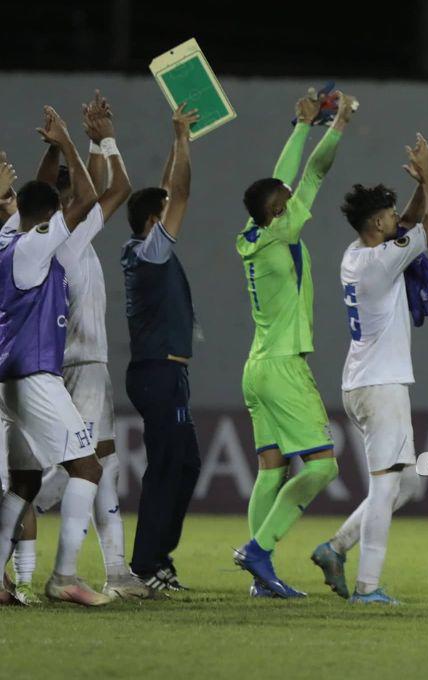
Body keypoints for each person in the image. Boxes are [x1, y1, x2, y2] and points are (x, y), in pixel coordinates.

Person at [311, 134, 428, 605]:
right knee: (387, 482)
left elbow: (408, 224)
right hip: (380, 385)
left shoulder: (356, 255)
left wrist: (417, 187)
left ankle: (335, 548)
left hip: (364, 380)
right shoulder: (380, 263)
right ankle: (368, 588)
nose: (396, 219)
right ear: (376, 223)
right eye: (388, 214)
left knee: (407, 483)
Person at [232, 89, 355, 598]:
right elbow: (315, 174)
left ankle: (261, 578)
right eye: (284, 202)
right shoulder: (282, 232)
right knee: (323, 466)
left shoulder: (253, 233)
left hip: (256, 366)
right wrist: (339, 123)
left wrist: (303, 125)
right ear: (278, 211)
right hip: (282, 366)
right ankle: (259, 550)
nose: (291, 200)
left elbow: (281, 182)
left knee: (272, 469)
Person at [0, 107, 108, 606]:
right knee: (87, 468)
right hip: (35, 375)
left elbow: (38, 197)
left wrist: (50, 149)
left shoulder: (7, 237)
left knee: (22, 482)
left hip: (9, 378)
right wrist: (67, 142)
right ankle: (64, 576)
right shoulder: (31, 248)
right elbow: (84, 199)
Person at [121, 103, 202, 591]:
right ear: (155, 220)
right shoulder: (151, 253)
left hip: (166, 373)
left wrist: (177, 140)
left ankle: (158, 559)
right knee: (166, 468)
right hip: (158, 374)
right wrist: (184, 142)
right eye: (164, 212)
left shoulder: (143, 248)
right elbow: (181, 193)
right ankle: (146, 565)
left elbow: (169, 191)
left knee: (185, 465)